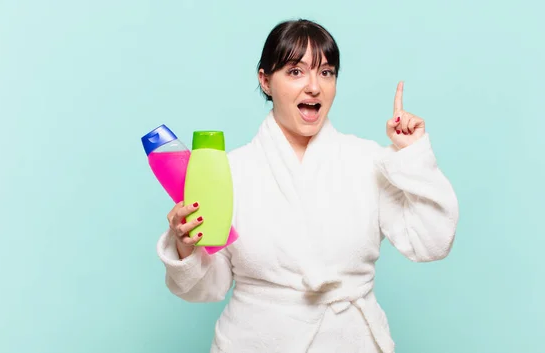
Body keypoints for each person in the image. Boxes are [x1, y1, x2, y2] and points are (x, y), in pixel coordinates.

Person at [156, 18, 459, 353]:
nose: (314, 86)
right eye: (295, 71)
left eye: (326, 72)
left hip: (350, 340)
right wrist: (187, 246)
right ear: (266, 81)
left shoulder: (368, 161)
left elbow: (432, 242)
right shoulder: (231, 170)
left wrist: (413, 155)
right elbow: (207, 288)